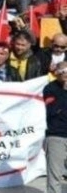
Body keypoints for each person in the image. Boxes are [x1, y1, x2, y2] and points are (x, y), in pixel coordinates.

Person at [43, 61, 67, 193]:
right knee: (55, 175)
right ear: (56, 73)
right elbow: (52, 111)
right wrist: (64, 90)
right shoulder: (50, 89)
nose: (65, 74)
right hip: (56, 136)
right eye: (62, 71)